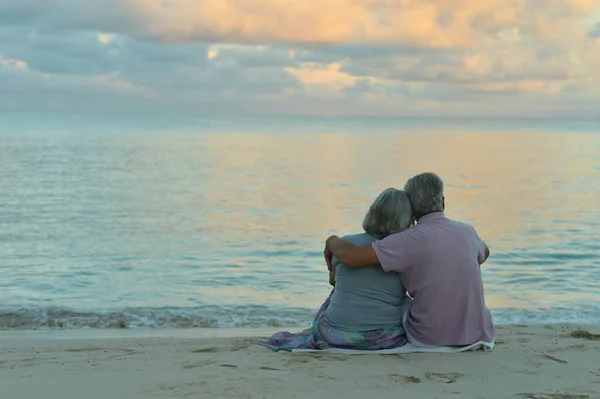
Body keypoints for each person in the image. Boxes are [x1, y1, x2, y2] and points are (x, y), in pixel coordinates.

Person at [324, 172, 494, 347]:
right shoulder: (467, 231)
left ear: (411, 210)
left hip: (431, 338)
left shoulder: (407, 240)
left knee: (402, 304)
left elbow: (350, 257)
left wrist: (331, 241)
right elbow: (484, 252)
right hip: (479, 333)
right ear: (443, 201)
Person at [261, 188, 414, 352]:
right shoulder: (405, 253)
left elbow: (333, 281)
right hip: (381, 339)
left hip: (332, 334)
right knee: (404, 303)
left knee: (338, 292)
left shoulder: (347, 242)